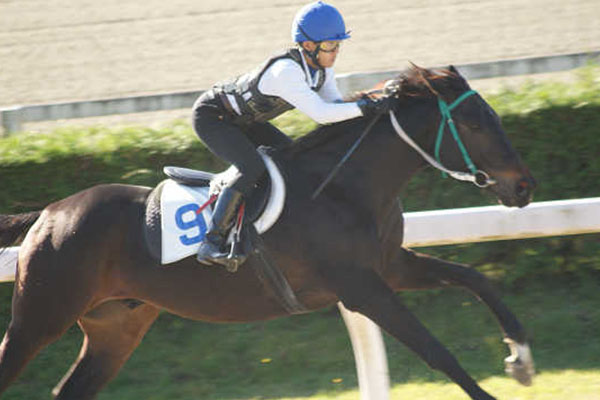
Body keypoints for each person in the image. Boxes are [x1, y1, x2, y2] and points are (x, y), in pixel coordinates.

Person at [192, 1, 390, 267]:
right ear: (308, 45)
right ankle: (212, 241)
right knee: (251, 167)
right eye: (330, 45)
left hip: (244, 120)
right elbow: (322, 114)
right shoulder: (286, 72)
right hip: (213, 117)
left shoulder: (322, 70)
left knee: (294, 161)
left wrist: (374, 102)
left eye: (338, 45)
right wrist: (365, 107)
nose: (335, 52)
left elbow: (335, 107)